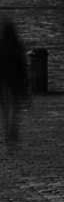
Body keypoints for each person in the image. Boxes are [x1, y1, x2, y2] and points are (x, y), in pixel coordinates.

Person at [0, 18, 27, 146]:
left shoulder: (2, 45)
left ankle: (7, 130)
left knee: (5, 107)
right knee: (14, 106)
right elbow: (22, 66)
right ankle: (13, 130)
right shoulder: (17, 47)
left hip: (4, 80)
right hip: (15, 80)